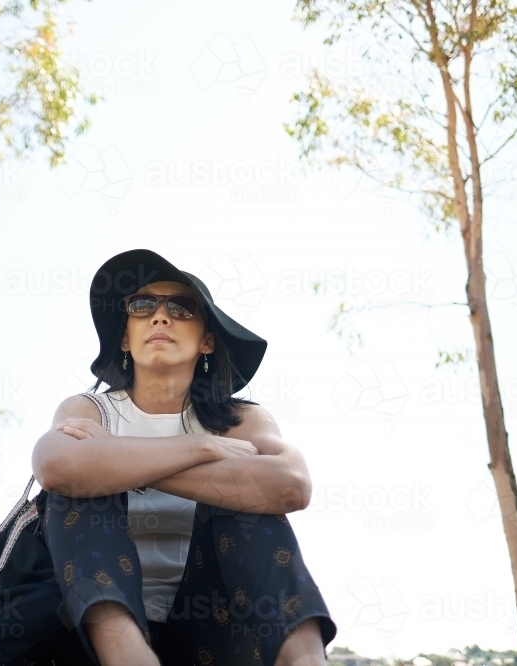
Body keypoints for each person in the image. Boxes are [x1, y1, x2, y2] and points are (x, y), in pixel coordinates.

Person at [32, 249, 337, 666]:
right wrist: (202, 449)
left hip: (215, 626)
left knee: (247, 497)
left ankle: (302, 659)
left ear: (207, 340)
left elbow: (291, 484)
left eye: (181, 307)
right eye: (141, 306)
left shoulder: (239, 420)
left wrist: (116, 461)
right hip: (95, 628)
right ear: (125, 337)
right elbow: (56, 467)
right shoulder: (90, 411)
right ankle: (130, 658)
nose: (160, 317)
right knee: (80, 487)